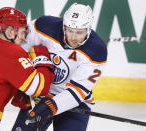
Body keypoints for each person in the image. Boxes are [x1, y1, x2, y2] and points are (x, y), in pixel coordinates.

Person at [12, 3, 107, 131]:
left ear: (88, 29)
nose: (73, 37)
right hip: (40, 94)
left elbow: (78, 91)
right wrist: (22, 84)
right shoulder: (43, 26)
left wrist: (52, 105)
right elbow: (20, 52)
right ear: (64, 26)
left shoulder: (97, 50)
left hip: (74, 102)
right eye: (70, 31)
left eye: (79, 32)